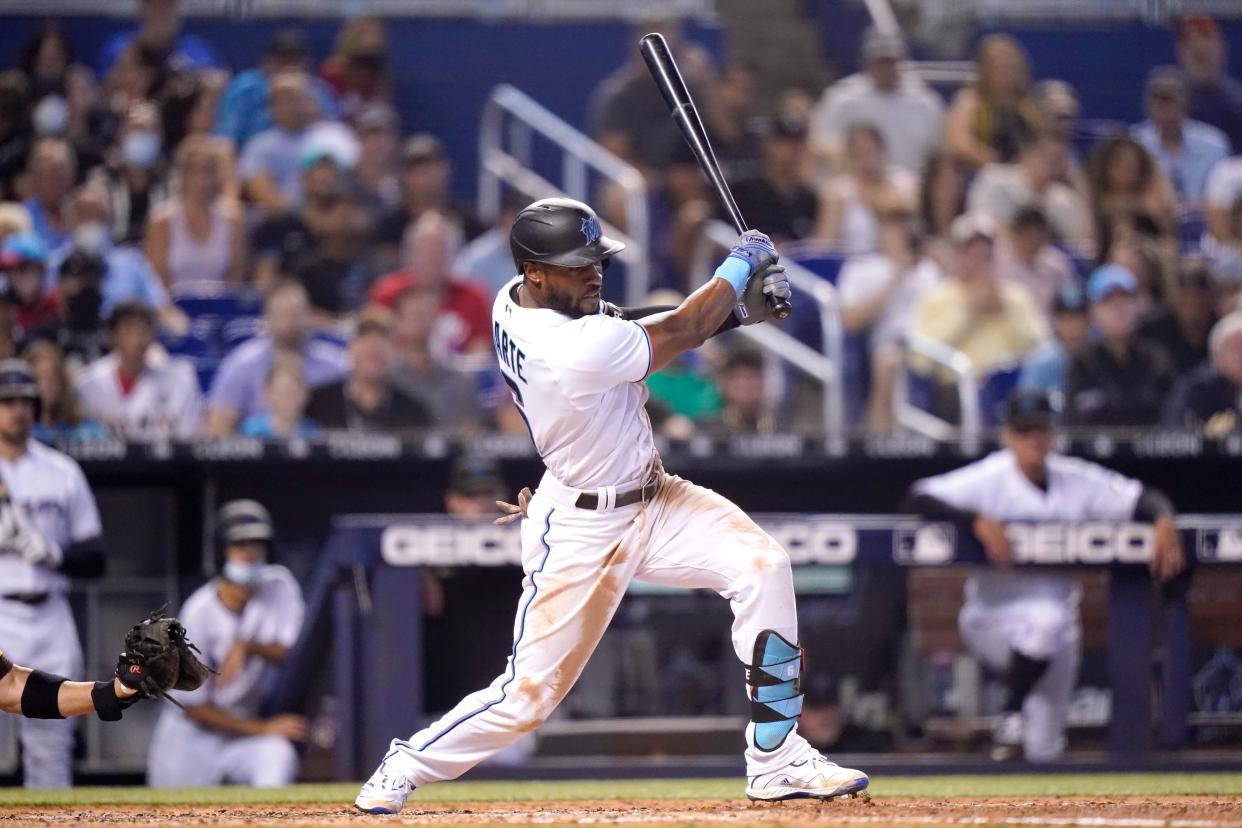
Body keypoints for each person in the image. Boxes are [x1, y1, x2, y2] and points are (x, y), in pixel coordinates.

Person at [352, 197, 866, 814]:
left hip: (658, 497)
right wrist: (737, 269)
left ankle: (776, 760)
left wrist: (735, 312)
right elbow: (679, 330)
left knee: (764, 568)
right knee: (527, 697)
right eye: (577, 264)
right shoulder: (566, 344)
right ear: (537, 270)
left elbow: (636, 321)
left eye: (596, 258)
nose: (594, 272)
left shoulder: (515, 295)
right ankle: (405, 763)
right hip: (580, 526)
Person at [903, 388, 1184, 762]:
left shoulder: (1075, 479)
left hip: (1060, 633)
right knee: (1044, 622)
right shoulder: (990, 477)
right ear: (1007, 435)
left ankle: (1019, 778)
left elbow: (1142, 497)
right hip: (992, 620)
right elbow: (917, 498)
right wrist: (975, 520)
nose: (1033, 438)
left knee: (1045, 750)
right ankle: (1010, 711)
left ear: (1053, 432)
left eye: (1040, 428)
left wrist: (1164, 519)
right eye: (1024, 430)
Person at [148, 500, 307, 788]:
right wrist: (262, 728)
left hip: (244, 732)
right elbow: (194, 707)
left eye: (256, 543)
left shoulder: (280, 586)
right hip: (191, 739)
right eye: (239, 544)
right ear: (222, 550)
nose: (249, 552)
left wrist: (249, 646)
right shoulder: (198, 612)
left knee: (277, 755)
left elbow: (294, 655)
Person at [0, 359, 105, 787]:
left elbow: (96, 559)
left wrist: (53, 555)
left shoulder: (62, 471)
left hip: (49, 615)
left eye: (26, 401)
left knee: (51, 744)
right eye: (8, 401)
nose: (18, 410)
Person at [907, 214, 1048, 419]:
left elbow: (1042, 348)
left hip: (1014, 388)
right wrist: (968, 311)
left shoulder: (1014, 296)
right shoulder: (936, 296)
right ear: (957, 254)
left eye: (986, 252)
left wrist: (1004, 311)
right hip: (958, 389)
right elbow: (920, 360)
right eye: (970, 250)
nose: (979, 258)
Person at [837, 208, 942, 429]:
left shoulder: (927, 269)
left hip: (927, 342)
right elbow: (850, 321)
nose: (900, 234)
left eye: (904, 227)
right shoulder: (860, 268)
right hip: (886, 343)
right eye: (892, 228)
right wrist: (897, 275)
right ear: (879, 232)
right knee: (888, 361)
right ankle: (883, 438)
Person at [205, 279, 348, 436]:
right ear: (267, 316)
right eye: (281, 313)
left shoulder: (335, 365)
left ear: (308, 314)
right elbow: (218, 425)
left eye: (295, 313)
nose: (289, 322)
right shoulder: (241, 364)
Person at [809, 27, 944, 175]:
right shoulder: (842, 98)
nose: (886, 69)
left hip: (912, 187)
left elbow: (939, 152)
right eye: (880, 62)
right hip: (857, 186)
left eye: (891, 62)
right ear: (867, 63)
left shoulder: (924, 102)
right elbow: (819, 143)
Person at [1064, 264, 1177, 427]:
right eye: (1108, 300)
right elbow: (1078, 419)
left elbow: (1171, 416)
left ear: (1139, 305)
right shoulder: (1081, 361)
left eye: (1125, 298)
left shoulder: (1158, 359)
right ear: (1092, 311)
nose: (1118, 308)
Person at [74, 302, 202, 439]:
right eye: (130, 329)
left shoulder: (179, 381)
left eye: (145, 329)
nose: (139, 337)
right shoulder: (88, 382)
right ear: (114, 335)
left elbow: (190, 438)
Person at [237, 71, 357, 213]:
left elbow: (354, 178)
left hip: (339, 217)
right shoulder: (259, 146)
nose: (292, 106)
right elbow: (261, 192)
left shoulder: (337, 134)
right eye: (283, 100)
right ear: (271, 108)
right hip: (286, 224)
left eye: (297, 97)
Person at [146, 135, 245, 294]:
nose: (202, 179)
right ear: (182, 175)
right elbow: (157, 281)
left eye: (208, 171)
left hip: (220, 310)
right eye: (194, 170)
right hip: (174, 311)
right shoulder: (161, 221)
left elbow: (235, 279)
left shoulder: (233, 220)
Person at [966, 134, 1093, 257]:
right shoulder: (994, 179)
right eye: (1045, 157)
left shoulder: (1066, 199)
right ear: (1027, 154)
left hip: (1046, 268)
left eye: (1058, 160)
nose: (1051, 166)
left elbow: (1083, 246)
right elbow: (978, 225)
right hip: (997, 259)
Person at [213, 29, 339, 151]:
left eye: (294, 60)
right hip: (251, 162)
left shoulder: (317, 90)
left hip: (306, 161)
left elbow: (334, 133)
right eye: (282, 60)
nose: (287, 66)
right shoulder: (246, 88)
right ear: (266, 62)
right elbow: (226, 136)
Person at [386, 282, 486, 433]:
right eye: (413, 315)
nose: (420, 321)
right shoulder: (386, 381)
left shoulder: (460, 382)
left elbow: (473, 433)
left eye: (425, 314)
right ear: (398, 322)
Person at [373, 134, 484, 271]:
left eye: (431, 168)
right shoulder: (388, 228)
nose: (425, 177)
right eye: (416, 171)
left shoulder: (471, 224)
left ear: (446, 170)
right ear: (403, 176)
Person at [306, 312, 430, 432]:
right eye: (366, 342)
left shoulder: (412, 411)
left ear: (394, 353)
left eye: (381, 343)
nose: (373, 348)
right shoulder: (319, 402)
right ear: (350, 349)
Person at [1133, 67, 1230, 206]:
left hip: (1208, 218)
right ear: (1147, 106)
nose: (1166, 112)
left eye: (1171, 103)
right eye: (1159, 104)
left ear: (1186, 103)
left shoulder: (1214, 143)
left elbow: (1224, 193)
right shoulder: (1135, 143)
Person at [815, 124, 917, 254]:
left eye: (869, 152)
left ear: (882, 151)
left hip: (897, 261)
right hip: (853, 266)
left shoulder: (905, 183)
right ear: (850, 157)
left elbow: (913, 229)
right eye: (858, 154)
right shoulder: (838, 192)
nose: (866, 160)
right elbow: (824, 245)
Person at [945, 35, 1041, 170]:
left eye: (1013, 66)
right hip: (984, 174)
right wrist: (997, 165)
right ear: (986, 69)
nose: (1009, 72)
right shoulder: (970, 100)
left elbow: (1042, 141)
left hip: (1026, 175)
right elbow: (959, 143)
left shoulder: (1028, 106)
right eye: (1002, 67)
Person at [729, 113, 818, 244]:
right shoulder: (744, 191)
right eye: (782, 143)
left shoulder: (808, 200)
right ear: (767, 145)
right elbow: (723, 236)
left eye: (796, 144)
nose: (790, 151)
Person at [1084, 135, 1178, 246]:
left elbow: (1169, 237)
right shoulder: (1094, 199)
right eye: (1119, 161)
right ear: (1106, 165)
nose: (1125, 168)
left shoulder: (1151, 202)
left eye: (1132, 163)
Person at [1164, 309, 1242, 433]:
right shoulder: (1197, 388)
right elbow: (1176, 429)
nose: (1240, 355)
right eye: (1236, 349)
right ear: (1216, 356)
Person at [97, 0, 221, 77]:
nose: (162, 15)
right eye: (156, 7)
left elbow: (217, 80)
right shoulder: (121, 47)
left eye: (168, 7)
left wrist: (190, 74)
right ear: (143, 10)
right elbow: (102, 93)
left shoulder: (195, 50)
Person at [993, 206, 1077, 317]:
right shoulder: (995, 261)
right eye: (1025, 234)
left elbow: (1071, 302)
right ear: (1013, 234)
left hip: (1048, 329)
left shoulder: (1057, 264)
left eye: (1037, 235)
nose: (1030, 241)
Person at [1138, 257, 1217, 376]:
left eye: (1200, 296)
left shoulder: (1221, 328)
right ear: (1172, 297)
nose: (1193, 301)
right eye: (1186, 296)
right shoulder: (1151, 329)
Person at [1176, 16, 1242, 154]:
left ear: (1221, 47)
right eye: (1190, 42)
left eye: (1206, 39)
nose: (1199, 46)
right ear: (1180, 51)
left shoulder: (1236, 102)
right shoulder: (1169, 102)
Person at [23, 340, 106, 442]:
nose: (46, 385)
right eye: (38, 378)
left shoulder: (87, 432)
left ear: (62, 382)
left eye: (51, 377)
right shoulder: (18, 433)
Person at [1017, 284, 1090, 396]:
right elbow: (1028, 403)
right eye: (1065, 317)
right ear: (1055, 319)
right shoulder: (1040, 362)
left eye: (1077, 316)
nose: (1071, 323)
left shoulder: (1100, 357)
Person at [319, 16, 393, 122]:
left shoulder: (380, 73)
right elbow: (326, 109)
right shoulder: (332, 71)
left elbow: (381, 107)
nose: (370, 41)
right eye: (365, 34)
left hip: (368, 128)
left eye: (374, 35)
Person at [240, 361, 321, 440]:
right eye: (284, 392)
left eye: (294, 392)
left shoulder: (315, 434)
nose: (289, 398)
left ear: (305, 394)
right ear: (267, 394)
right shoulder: (249, 431)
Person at [21, 137, 76, 252]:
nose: (53, 182)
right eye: (46, 175)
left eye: (59, 174)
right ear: (33, 177)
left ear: (71, 175)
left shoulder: (84, 215)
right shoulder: (21, 220)